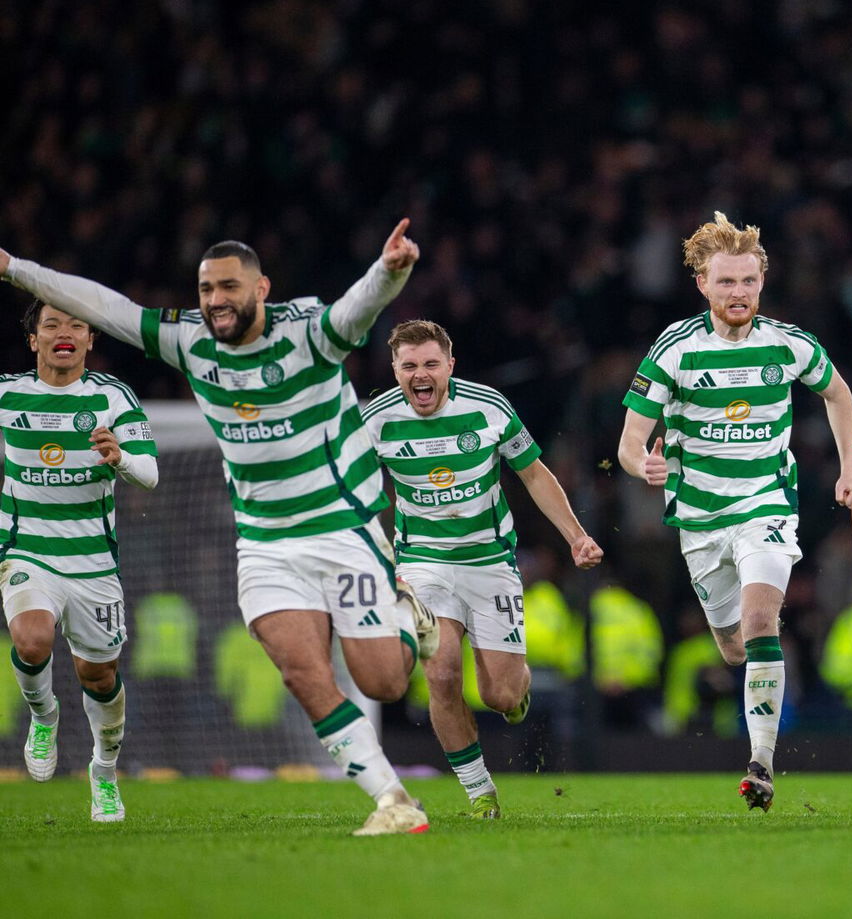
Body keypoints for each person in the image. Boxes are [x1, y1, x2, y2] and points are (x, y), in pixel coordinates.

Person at [0, 223, 436, 836]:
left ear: (261, 288)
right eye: (206, 289)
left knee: (383, 681)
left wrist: (390, 270)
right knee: (301, 673)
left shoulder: (308, 332)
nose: (215, 300)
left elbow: (356, 308)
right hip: (263, 543)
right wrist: (15, 265)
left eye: (228, 287)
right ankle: (391, 799)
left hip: (340, 528)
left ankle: (408, 617)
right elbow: (107, 306)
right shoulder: (190, 341)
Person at [617, 212, 852, 811]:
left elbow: (838, 393)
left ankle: (761, 763)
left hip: (766, 505)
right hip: (700, 520)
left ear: (761, 281)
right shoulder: (674, 349)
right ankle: (756, 699)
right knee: (732, 647)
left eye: (748, 281)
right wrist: (641, 463)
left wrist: (850, 466)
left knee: (759, 623)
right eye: (726, 282)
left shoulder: (787, 342)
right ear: (702, 283)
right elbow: (628, 443)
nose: (739, 294)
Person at [362, 319, 602, 819]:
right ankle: (480, 793)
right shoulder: (375, 420)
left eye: (431, 364)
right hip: (423, 565)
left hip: (491, 565)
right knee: (443, 672)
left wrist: (577, 537)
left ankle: (517, 689)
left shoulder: (488, 407)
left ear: (450, 365)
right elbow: (350, 490)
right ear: (395, 369)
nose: (420, 374)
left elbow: (534, 473)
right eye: (409, 366)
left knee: (500, 694)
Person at [1, 301, 158, 822]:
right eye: (51, 325)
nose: (63, 333)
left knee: (99, 675)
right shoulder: (8, 394)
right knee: (32, 637)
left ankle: (104, 772)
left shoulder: (113, 398)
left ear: (90, 340)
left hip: (92, 562)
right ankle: (44, 715)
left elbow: (151, 474)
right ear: (34, 340)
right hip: (28, 549)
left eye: (76, 326)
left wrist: (122, 458)